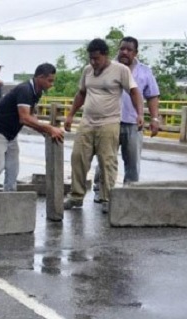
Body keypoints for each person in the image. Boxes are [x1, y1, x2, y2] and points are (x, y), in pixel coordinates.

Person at [63, 38, 143, 213]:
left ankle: (107, 198)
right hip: (87, 122)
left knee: (107, 161)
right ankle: (76, 196)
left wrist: (140, 114)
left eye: (96, 58)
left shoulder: (120, 70)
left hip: (109, 122)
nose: (93, 62)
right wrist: (70, 115)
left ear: (105, 56)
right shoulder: (87, 70)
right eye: (90, 59)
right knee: (78, 157)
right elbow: (81, 93)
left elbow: (134, 92)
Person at [92, 36, 161, 201]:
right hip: (108, 122)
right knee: (106, 158)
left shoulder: (145, 71)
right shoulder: (106, 67)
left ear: (135, 53)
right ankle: (100, 191)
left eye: (129, 50)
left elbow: (152, 96)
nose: (125, 52)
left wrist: (154, 119)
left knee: (132, 162)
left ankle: (130, 193)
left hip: (133, 123)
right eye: (122, 48)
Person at [0, 63, 65, 192]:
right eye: (49, 80)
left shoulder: (37, 92)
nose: (51, 84)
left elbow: (31, 115)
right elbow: (24, 118)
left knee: (13, 169)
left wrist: (43, 131)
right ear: (40, 77)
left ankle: (9, 200)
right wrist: (49, 128)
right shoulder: (25, 89)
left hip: (11, 134)